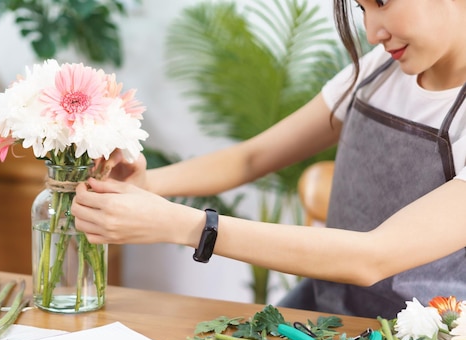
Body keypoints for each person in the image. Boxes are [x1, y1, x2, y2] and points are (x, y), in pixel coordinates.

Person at [71, 0, 466, 319]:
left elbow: (374, 256)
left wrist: (185, 225)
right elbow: (252, 157)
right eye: (362, 9)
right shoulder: (377, 73)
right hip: (326, 315)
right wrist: (149, 184)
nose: (372, 31)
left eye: (382, 1)